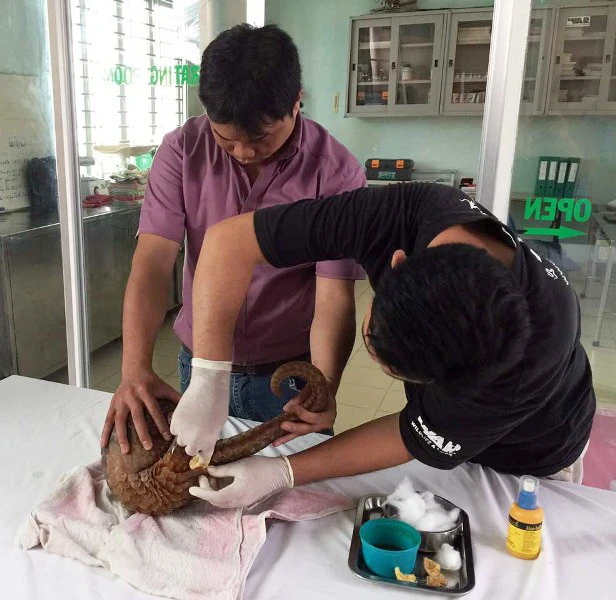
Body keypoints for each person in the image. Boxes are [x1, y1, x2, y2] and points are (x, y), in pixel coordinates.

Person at [177, 181, 596, 508]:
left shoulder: (528, 356)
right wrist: (209, 377)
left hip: (527, 460)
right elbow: (229, 241)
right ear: (398, 261)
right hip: (456, 428)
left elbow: (413, 434)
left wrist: (283, 472)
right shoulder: (402, 213)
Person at [100, 23, 366, 455]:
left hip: (287, 375)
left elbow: (334, 294)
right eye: (226, 140)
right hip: (199, 364)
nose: (244, 153)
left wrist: (324, 387)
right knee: (194, 478)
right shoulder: (182, 150)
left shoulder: (335, 172)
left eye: (260, 139)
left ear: (296, 101)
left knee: (293, 484)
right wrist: (134, 369)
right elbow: (152, 263)